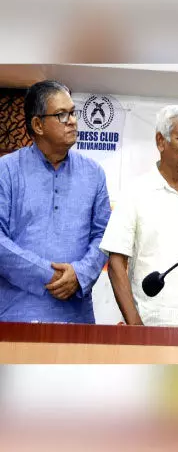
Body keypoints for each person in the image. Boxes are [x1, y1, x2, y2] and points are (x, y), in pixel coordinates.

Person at [100, 105, 178, 327]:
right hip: (152, 326)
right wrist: (135, 327)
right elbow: (116, 263)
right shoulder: (136, 192)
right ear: (161, 141)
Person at [0, 80, 110, 323]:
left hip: (77, 315)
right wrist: (47, 274)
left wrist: (79, 275)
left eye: (73, 112)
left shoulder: (93, 173)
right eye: (61, 115)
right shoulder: (6, 171)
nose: (72, 120)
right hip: (19, 312)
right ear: (38, 124)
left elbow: (104, 236)